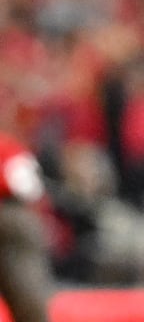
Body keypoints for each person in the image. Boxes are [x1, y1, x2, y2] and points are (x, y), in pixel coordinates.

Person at [0, 132, 53, 322]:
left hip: (11, 215)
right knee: (28, 298)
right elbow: (28, 188)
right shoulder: (9, 147)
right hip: (12, 213)